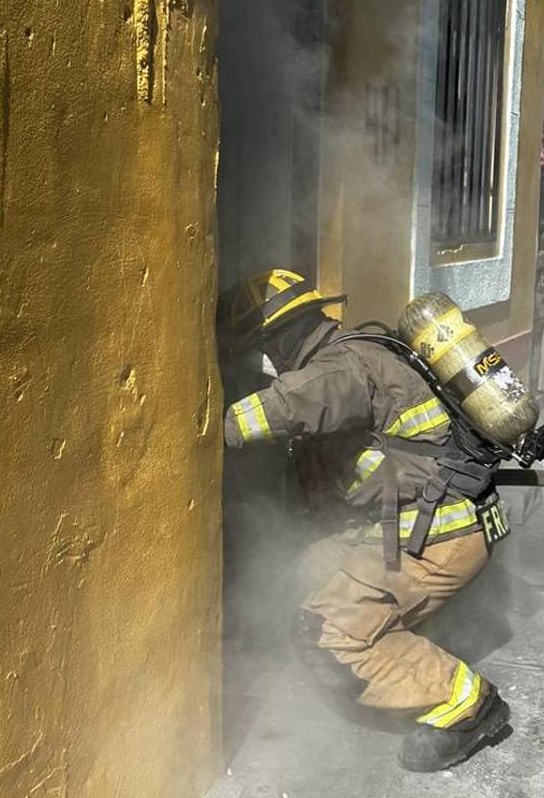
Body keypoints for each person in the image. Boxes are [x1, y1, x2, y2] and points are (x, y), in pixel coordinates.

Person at [217, 269, 510, 773]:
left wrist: (202, 420)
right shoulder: (366, 349)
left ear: (277, 340)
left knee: (327, 631)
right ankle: (388, 636)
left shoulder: (340, 367)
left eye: (256, 352)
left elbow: (262, 414)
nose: (262, 366)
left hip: (435, 538)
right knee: (300, 571)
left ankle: (465, 704)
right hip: (435, 523)